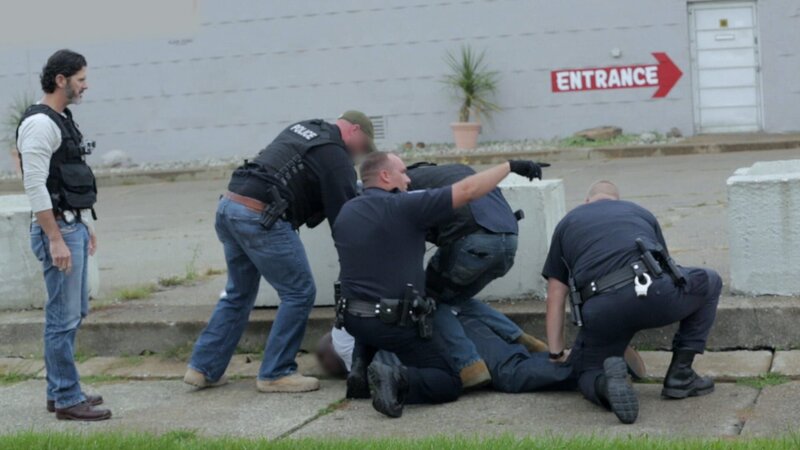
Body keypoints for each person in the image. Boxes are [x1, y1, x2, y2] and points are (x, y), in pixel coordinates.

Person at [333, 151, 547, 417]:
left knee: (386, 301)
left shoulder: (346, 212)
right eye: (402, 172)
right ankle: (399, 379)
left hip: (353, 320)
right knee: (446, 380)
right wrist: (510, 165)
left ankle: (360, 372)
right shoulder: (405, 206)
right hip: (392, 324)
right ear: (385, 176)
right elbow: (468, 190)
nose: (409, 180)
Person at [185, 111, 374, 393]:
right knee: (299, 291)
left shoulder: (306, 128)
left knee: (239, 292)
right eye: (364, 146)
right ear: (355, 130)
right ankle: (275, 372)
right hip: (261, 217)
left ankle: (203, 368)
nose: (360, 155)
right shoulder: (335, 156)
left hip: (231, 205)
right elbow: (344, 221)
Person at [543, 181, 722, 424]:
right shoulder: (639, 212)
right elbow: (668, 268)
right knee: (710, 281)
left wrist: (555, 353)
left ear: (587, 201)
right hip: (655, 294)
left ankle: (605, 385)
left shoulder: (568, 223)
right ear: (617, 200)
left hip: (601, 310)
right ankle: (681, 374)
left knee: (586, 371)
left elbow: (555, 293)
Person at [17, 49, 111, 421]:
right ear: (62, 80)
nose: (85, 86)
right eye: (81, 79)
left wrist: (82, 225)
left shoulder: (61, 119)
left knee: (75, 312)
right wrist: (55, 237)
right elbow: (35, 185)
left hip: (71, 225)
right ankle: (68, 398)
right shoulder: (40, 124)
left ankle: (60, 391)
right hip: (56, 230)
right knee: (62, 317)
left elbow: (64, 180)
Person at [405, 162, 549, 388]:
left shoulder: (404, 185)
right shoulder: (459, 170)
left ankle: (470, 365)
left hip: (474, 242)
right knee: (455, 298)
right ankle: (520, 337)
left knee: (430, 299)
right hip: (508, 241)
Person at [318, 314, 575, 395]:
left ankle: (584, 367)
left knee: (512, 372)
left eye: (325, 361)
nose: (326, 366)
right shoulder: (356, 333)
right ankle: (583, 362)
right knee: (517, 368)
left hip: (461, 334)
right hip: (463, 330)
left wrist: (520, 336)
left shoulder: (351, 345)